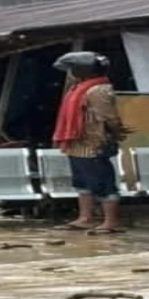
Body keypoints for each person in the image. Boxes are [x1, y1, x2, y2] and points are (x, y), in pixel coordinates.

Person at [52, 51, 127, 234]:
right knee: (82, 182)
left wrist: (115, 132)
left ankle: (111, 222)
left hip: (94, 143)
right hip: (77, 143)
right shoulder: (79, 87)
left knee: (103, 183)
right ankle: (85, 218)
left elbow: (109, 117)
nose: (69, 72)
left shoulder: (98, 90)